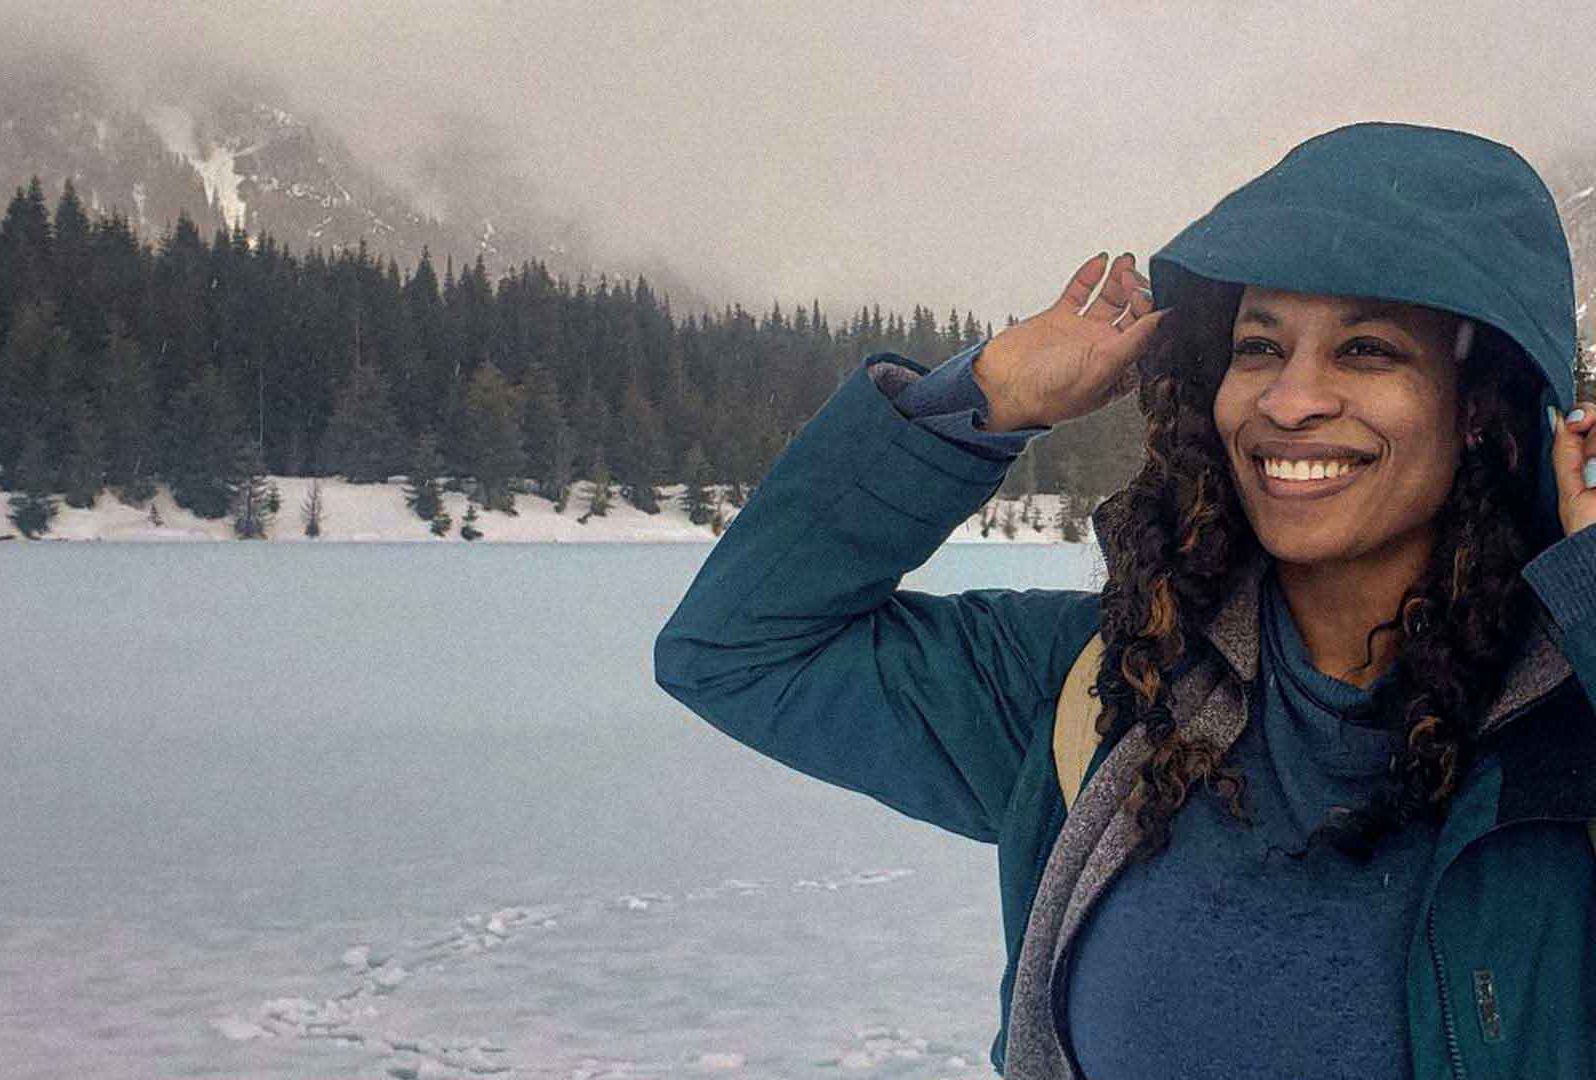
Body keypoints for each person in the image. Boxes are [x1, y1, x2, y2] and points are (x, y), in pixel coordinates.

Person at [653, 122, 1594, 1080]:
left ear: (1480, 407)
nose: (1289, 400)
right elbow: (741, 649)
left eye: (1366, 349)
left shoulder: (1569, 727)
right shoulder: (1108, 690)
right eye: (1258, 346)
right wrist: (988, 397)